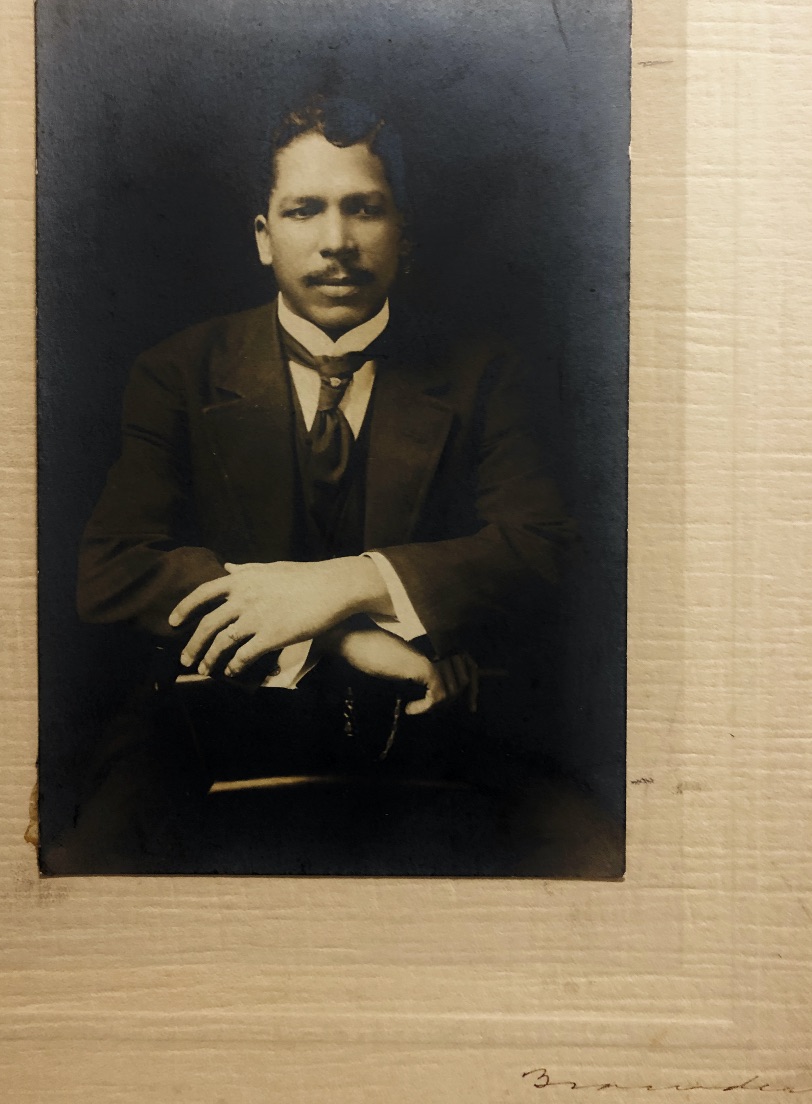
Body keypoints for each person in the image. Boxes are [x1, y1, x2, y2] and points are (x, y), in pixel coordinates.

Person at [57, 96, 578, 874]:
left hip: (436, 714)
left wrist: (352, 582)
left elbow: (541, 548)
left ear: (405, 235)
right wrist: (341, 631)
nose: (336, 242)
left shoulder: (482, 372)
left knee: (588, 858)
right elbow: (111, 566)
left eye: (364, 209)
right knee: (83, 878)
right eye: (304, 210)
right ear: (264, 238)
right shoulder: (178, 371)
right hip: (207, 717)